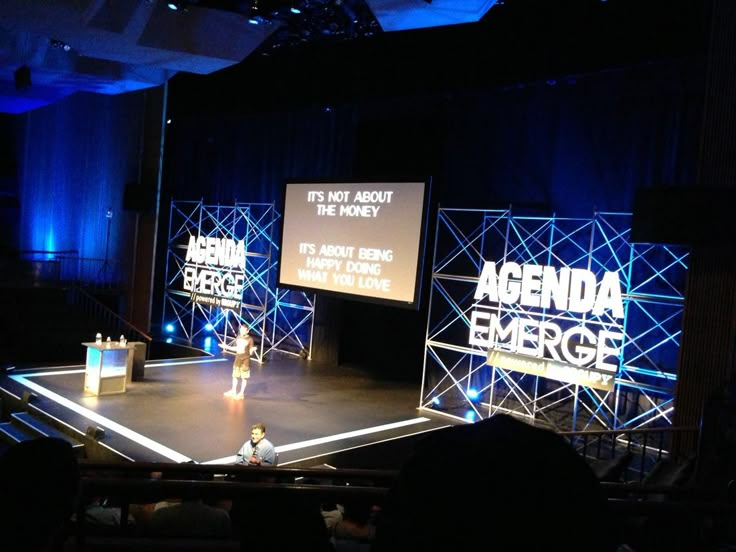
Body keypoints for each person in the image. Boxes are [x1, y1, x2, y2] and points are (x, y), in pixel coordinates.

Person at [220, 324, 255, 399]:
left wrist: (252, 350)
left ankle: (241, 394)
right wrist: (226, 347)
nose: (242, 331)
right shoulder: (238, 338)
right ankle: (233, 391)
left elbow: (251, 352)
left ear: (247, 331)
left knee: (244, 377)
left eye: (243, 330)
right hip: (237, 359)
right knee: (235, 376)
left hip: (245, 360)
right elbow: (236, 348)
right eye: (241, 329)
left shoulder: (250, 339)